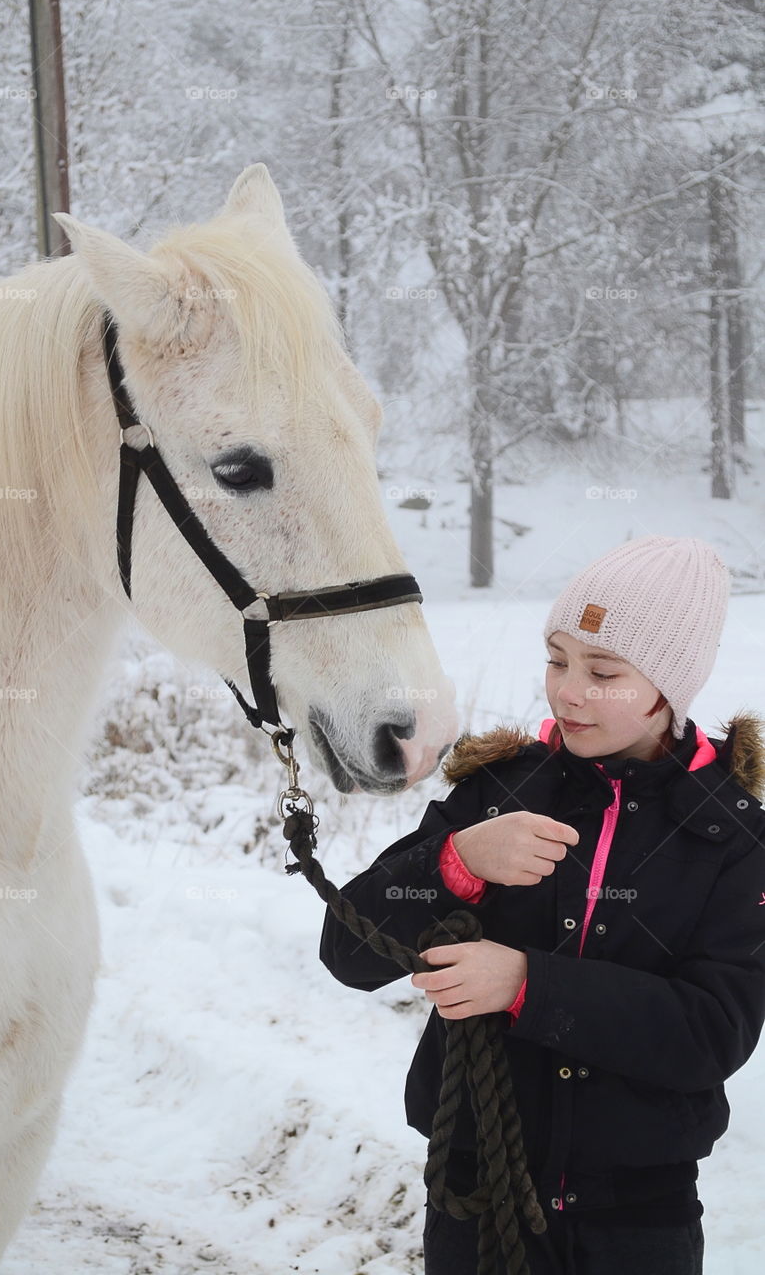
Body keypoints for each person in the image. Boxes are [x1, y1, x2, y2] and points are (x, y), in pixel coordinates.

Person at [319, 535, 765, 1275]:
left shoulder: (731, 834)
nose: (567, 690)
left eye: (602, 671)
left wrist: (527, 985)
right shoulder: (499, 789)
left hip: (636, 1221)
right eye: (556, 660)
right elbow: (349, 953)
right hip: (477, 1196)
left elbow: (710, 1032)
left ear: (666, 686)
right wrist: (453, 863)